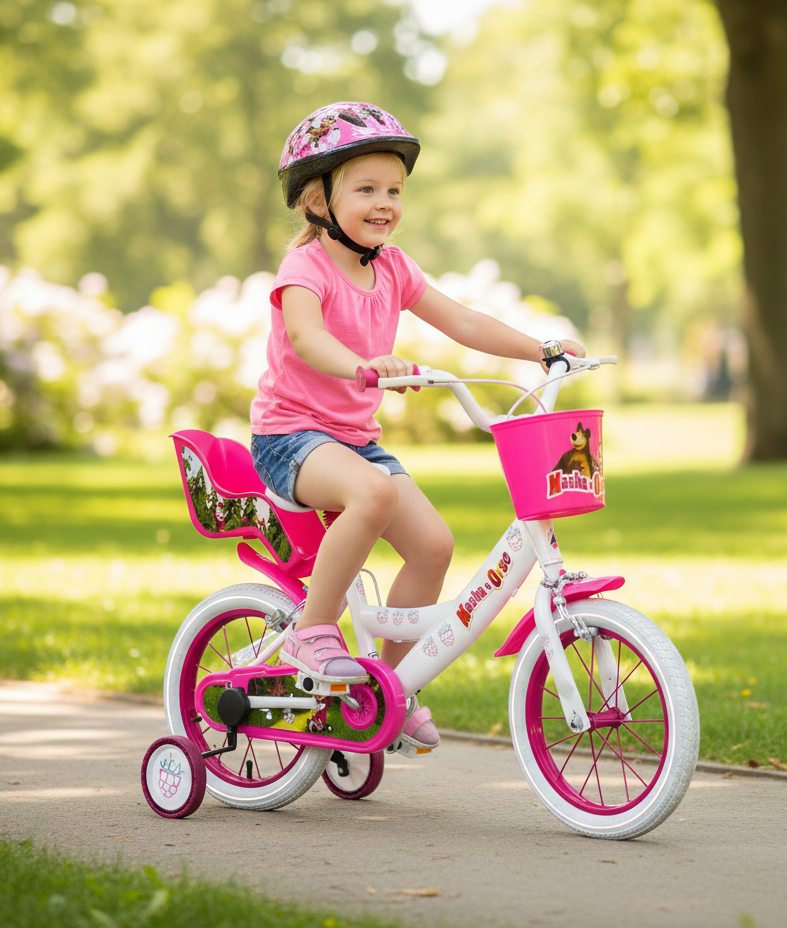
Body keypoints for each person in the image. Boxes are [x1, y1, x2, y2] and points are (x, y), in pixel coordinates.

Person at [250, 102, 583, 751]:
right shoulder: (306, 270)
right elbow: (306, 337)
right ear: (318, 200)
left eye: (394, 191)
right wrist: (362, 365)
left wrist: (541, 350)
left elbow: (463, 321)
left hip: (351, 441)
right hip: (289, 438)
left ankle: (387, 689)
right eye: (366, 190)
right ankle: (312, 633)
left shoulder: (394, 268)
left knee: (433, 544)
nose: (384, 203)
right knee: (371, 495)